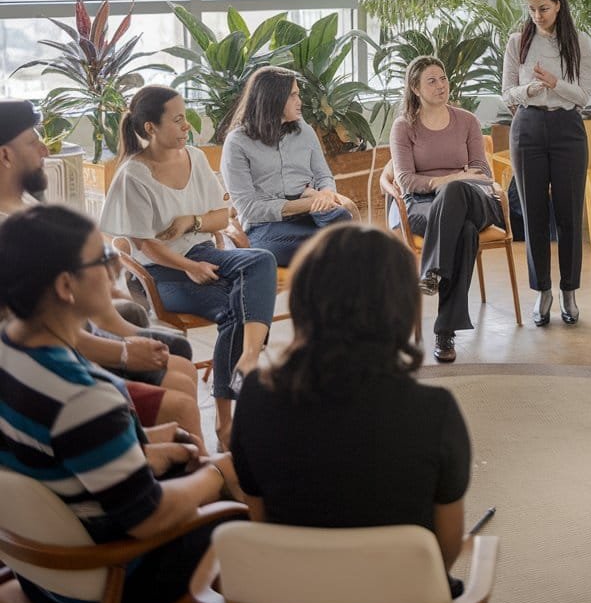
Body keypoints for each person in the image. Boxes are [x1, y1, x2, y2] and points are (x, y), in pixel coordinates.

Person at [230, 223, 471, 603]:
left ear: (303, 301)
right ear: (400, 308)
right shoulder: (435, 411)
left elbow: (261, 520)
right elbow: (443, 551)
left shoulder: (255, 399)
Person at [0, 205, 242, 603]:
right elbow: (150, 518)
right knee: (243, 481)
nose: (114, 268)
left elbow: (55, 456)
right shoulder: (81, 398)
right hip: (112, 585)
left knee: (198, 458)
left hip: (43, 575)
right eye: (103, 259)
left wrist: (145, 446)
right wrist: (217, 475)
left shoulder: (10, 352)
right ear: (65, 285)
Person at [0, 99, 206, 449]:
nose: (46, 149)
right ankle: (203, 480)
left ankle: (190, 468)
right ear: (5, 156)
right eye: (33, 141)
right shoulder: (10, 232)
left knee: (181, 365)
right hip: (57, 361)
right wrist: (124, 352)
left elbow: (77, 288)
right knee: (182, 398)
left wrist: (125, 327)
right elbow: (29, 333)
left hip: (80, 336)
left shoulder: (28, 206)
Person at [99, 86, 278, 449]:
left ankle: (248, 358)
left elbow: (218, 216)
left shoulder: (194, 157)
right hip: (163, 273)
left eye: (186, 118)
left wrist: (189, 223)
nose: (186, 127)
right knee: (235, 312)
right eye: (178, 120)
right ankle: (226, 422)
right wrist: (188, 267)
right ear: (150, 128)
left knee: (261, 259)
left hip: (203, 253)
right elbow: (144, 243)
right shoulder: (133, 175)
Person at [389, 56, 504, 363]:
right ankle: (445, 332)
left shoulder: (467, 121)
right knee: (465, 233)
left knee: (456, 193)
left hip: (473, 199)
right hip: (422, 205)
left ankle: (431, 271)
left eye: (443, 78)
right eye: (432, 81)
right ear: (415, 88)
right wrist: (450, 178)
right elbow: (406, 180)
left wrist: (455, 182)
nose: (441, 86)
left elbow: (482, 171)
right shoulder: (404, 127)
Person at [501, 0, 591, 328]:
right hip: (527, 128)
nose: (537, 15)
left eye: (544, 8)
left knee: (569, 214)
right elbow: (506, 93)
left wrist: (555, 85)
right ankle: (542, 291)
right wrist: (529, 92)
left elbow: (583, 96)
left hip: (568, 129)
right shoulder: (517, 43)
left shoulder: (578, 43)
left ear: (558, 6)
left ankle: (569, 290)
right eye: (532, 9)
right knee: (533, 212)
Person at [221, 66, 357, 267]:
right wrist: (310, 202)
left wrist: (326, 194)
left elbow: (323, 176)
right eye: (293, 95)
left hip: (310, 217)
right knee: (338, 244)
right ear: (273, 99)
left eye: (298, 95)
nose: (299, 102)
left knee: (341, 218)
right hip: (266, 227)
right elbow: (249, 209)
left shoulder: (304, 130)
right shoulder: (237, 142)